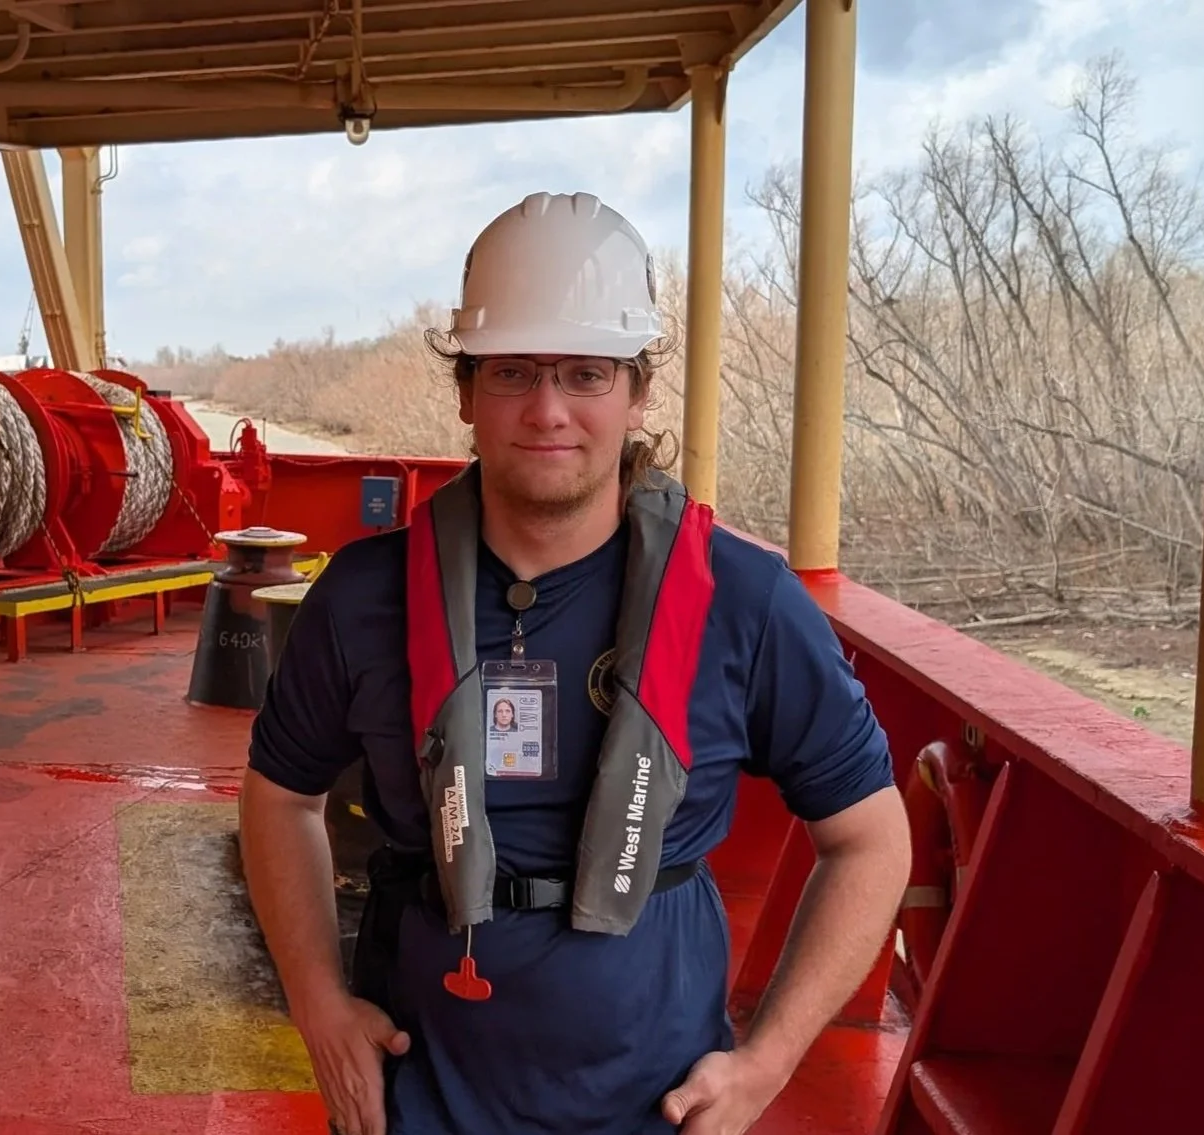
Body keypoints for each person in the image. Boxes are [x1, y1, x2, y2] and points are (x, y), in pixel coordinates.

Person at [238, 191, 911, 1135]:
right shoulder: (361, 597)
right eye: (513, 371)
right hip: (421, 1100)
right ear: (465, 390)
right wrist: (317, 1003)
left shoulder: (747, 604)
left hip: (656, 1106)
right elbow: (279, 796)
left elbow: (871, 840)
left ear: (637, 392)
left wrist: (766, 1062)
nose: (548, 410)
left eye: (586, 374)